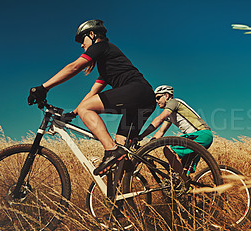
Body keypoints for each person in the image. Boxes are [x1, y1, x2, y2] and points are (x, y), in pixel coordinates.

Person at [27, 19, 156, 176]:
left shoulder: (101, 46)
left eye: (83, 40)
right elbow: (91, 94)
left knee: (109, 143)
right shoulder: (107, 66)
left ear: (93, 34)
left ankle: (110, 151)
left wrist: (43, 87)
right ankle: (121, 195)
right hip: (145, 99)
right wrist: (74, 113)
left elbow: (74, 67)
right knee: (121, 149)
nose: (82, 45)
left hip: (136, 91)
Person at [136, 85, 213, 175]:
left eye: (158, 97)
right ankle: (188, 187)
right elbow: (161, 132)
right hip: (200, 137)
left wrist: (140, 136)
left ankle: (184, 183)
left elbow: (159, 119)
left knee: (168, 150)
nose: (156, 101)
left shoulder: (174, 102)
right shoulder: (170, 115)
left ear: (166, 95)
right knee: (181, 170)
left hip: (201, 135)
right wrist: (148, 145)